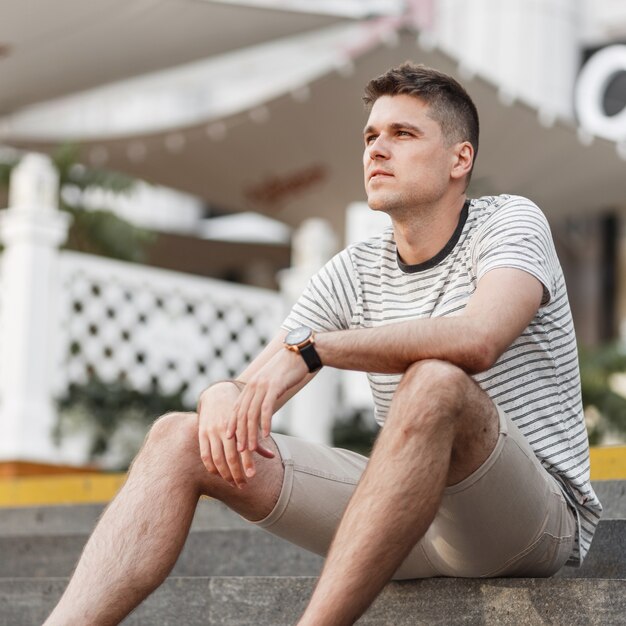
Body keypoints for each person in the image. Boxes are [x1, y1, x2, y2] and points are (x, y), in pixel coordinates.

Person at [44, 63, 602, 626]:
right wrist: (221, 392)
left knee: (436, 381)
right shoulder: (353, 268)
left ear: (460, 159)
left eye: (403, 135)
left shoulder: (509, 222)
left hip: (527, 522)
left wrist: (322, 348)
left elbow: (478, 339)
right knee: (175, 436)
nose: (377, 150)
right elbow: (263, 374)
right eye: (370, 137)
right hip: (406, 522)